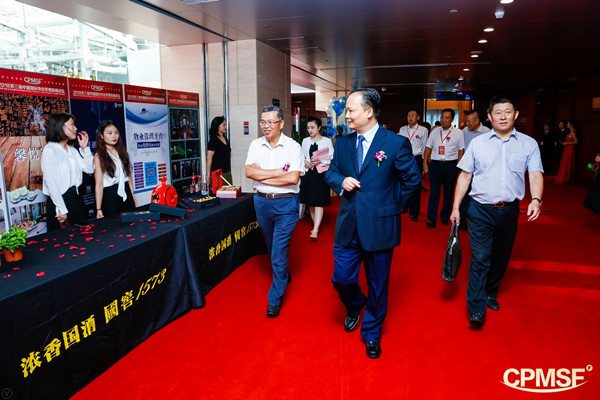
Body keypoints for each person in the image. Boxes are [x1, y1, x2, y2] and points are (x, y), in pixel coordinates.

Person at [325, 88, 421, 358]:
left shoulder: (395, 143)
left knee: (378, 284)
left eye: (351, 110)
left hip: (380, 226)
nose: (346, 115)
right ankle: (356, 304)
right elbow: (331, 172)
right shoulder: (343, 143)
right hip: (348, 224)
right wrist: (340, 181)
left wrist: (390, 206)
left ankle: (372, 332)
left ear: (369, 112)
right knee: (341, 278)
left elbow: (412, 180)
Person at [450, 95, 544, 328]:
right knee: (481, 257)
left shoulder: (528, 144)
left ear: (516, 115)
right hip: (480, 209)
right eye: (498, 113)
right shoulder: (478, 143)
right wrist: (456, 207)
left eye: (508, 112)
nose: (503, 117)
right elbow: (465, 176)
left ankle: (490, 292)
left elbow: (534, 174)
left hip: (509, 210)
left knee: (501, 256)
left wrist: (536, 199)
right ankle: (476, 308)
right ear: (489, 116)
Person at [245, 105, 303, 318]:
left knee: (278, 252)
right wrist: (276, 172)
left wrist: (262, 176)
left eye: (270, 121)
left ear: (282, 123)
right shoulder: (256, 144)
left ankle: (275, 298)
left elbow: (292, 178)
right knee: (271, 247)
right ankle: (283, 274)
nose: (266, 126)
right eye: (263, 121)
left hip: (286, 205)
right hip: (262, 203)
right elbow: (249, 172)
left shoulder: (293, 147)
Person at [41, 112, 94, 230]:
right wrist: (61, 208)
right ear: (61, 126)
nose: (75, 128)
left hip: (76, 199)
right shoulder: (50, 150)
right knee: (62, 239)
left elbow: (89, 169)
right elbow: (51, 183)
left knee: (83, 236)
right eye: (72, 125)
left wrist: (85, 149)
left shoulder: (72, 150)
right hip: (60, 201)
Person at [423, 108, 464, 228]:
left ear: (452, 119)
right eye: (442, 117)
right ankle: (431, 218)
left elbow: (461, 150)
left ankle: (445, 217)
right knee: (434, 193)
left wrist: (458, 165)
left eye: (447, 117)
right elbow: (428, 147)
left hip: (450, 165)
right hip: (435, 165)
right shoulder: (435, 131)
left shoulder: (458, 133)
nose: (443, 120)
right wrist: (425, 163)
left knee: (448, 193)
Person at [300, 117, 334, 241]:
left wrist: (321, 160)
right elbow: (301, 156)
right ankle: (316, 225)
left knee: (319, 201)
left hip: (321, 174)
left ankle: (315, 229)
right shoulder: (305, 141)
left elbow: (332, 156)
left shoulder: (327, 141)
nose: (310, 130)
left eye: (312, 127)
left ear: (319, 128)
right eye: (308, 128)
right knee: (311, 202)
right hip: (309, 173)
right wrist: (305, 162)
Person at [93, 120, 136, 219]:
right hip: (110, 196)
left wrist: (133, 195)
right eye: (109, 133)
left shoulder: (122, 153)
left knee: (132, 223)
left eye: (116, 132)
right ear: (101, 136)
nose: (114, 136)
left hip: (126, 193)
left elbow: (129, 177)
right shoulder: (98, 157)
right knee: (115, 225)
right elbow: (99, 185)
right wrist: (98, 209)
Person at [458, 111, 491, 230]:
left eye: (469, 121)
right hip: (467, 169)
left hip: (482, 170)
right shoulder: (464, 132)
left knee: (480, 195)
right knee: (464, 195)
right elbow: (461, 148)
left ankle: (480, 219)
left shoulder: (487, 132)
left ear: (477, 121)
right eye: (466, 121)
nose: (467, 123)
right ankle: (462, 220)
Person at [398, 109, 429, 221]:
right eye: (408, 115)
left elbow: (425, 146)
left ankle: (414, 212)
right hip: (404, 158)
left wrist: (425, 162)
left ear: (418, 117)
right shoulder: (402, 129)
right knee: (403, 183)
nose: (410, 117)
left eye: (413, 115)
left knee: (416, 185)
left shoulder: (423, 130)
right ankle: (404, 205)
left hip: (417, 158)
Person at [207, 116, 232, 185]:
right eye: (223, 125)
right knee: (219, 192)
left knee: (230, 190)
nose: (225, 127)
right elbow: (209, 158)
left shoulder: (225, 138)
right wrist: (208, 176)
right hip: (217, 173)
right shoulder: (214, 140)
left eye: (226, 125)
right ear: (217, 126)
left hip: (227, 172)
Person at [555, 119, 578, 184]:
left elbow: (576, 142)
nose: (567, 125)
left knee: (568, 162)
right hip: (567, 148)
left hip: (570, 149)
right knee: (565, 162)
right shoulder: (569, 131)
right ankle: (563, 177)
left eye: (568, 123)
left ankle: (566, 178)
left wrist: (567, 143)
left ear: (571, 125)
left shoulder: (573, 132)